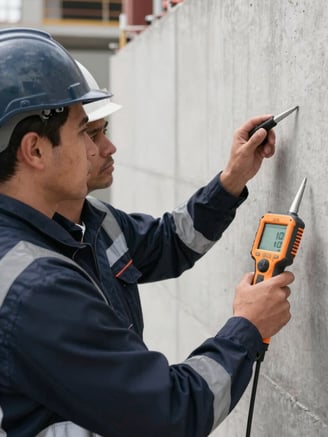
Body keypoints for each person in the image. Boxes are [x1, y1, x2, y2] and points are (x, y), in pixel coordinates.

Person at [0, 28, 294, 437]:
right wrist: (247, 327)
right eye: (85, 130)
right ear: (34, 150)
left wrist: (230, 181)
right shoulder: (34, 288)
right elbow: (167, 416)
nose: (98, 149)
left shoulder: (78, 226)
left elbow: (166, 243)